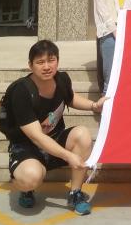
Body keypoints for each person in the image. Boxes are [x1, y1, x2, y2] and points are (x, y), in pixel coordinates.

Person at [6, 40, 105, 215]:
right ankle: (27, 189)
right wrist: (69, 156)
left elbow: (70, 98)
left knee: (82, 134)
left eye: (51, 60)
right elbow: (36, 137)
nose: (47, 67)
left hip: (55, 138)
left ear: (57, 61)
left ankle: (75, 193)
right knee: (30, 177)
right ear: (30, 65)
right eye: (40, 62)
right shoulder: (21, 91)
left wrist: (94, 106)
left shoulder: (61, 79)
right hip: (27, 146)